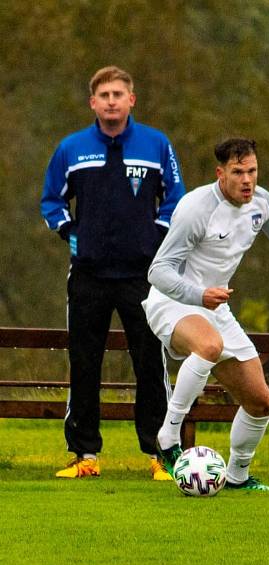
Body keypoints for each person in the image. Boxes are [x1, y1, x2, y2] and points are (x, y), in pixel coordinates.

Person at [144, 137, 269, 491]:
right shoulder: (195, 208)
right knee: (209, 346)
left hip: (215, 307)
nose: (247, 180)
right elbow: (158, 271)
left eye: (252, 171)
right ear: (220, 173)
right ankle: (168, 438)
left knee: (262, 403)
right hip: (172, 301)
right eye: (238, 172)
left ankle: (238, 476)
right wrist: (198, 293)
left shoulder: (262, 203)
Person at [41, 66, 186, 480]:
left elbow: (175, 199)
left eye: (118, 93)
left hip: (143, 277)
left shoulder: (157, 145)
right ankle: (85, 455)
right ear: (92, 102)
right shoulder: (70, 149)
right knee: (84, 364)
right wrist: (71, 233)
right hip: (87, 275)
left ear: (131, 100)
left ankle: (160, 455)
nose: (110, 100)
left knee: (150, 365)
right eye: (103, 94)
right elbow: (51, 202)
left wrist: (154, 238)